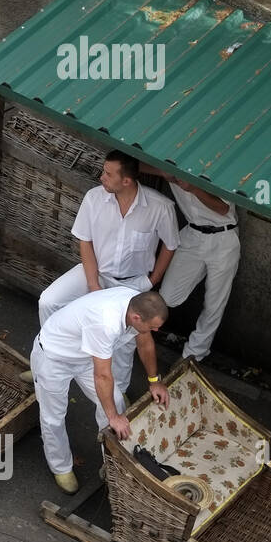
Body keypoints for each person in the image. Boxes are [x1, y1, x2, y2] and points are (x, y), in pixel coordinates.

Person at [33, 150, 178, 391]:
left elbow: (171, 245)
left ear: (127, 181)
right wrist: (93, 285)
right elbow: (85, 241)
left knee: (124, 346)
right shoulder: (93, 198)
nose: (102, 177)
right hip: (95, 272)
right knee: (48, 301)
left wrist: (153, 280)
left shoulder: (160, 207)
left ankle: (117, 396)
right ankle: (47, 361)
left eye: (108, 174)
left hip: (132, 285)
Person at [31, 288, 169, 493]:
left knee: (116, 401)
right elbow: (102, 376)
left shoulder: (138, 303)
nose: (155, 331)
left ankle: (112, 462)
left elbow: (145, 344)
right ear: (136, 317)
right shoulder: (106, 323)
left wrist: (154, 381)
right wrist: (112, 416)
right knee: (53, 417)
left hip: (86, 355)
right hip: (54, 357)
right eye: (152, 327)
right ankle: (61, 467)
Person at [142, 166, 241, 363]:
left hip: (224, 237)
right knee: (168, 297)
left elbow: (223, 209)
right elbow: (131, 163)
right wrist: (163, 172)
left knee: (214, 304)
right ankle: (140, 333)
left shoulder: (214, 166)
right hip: (192, 234)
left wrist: (194, 188)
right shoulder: (169, 158)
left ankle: (192, 355)